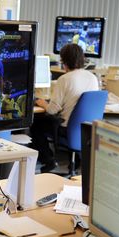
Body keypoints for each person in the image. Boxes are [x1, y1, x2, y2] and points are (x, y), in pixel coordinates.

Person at [31, 43, 99, 173]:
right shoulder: (93, 77)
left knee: (36, 125)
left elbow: (52, 110)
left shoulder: (64, 79)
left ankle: (49, 160)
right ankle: (75, 160)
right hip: (87, 129)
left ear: (63, 60)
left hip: (67, 128)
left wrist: (42, 103)